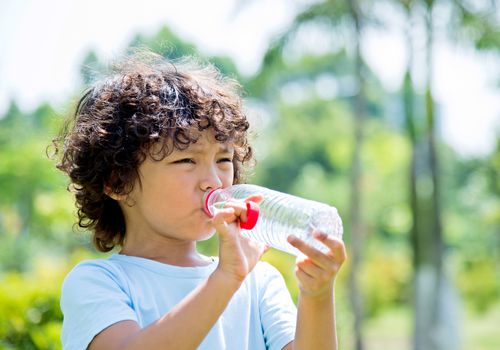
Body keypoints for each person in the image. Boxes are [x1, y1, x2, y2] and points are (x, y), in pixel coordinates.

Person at [54, 50, 347, 350]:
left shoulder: (258, 281)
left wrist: (317, 295)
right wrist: (225, 279)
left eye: (223, 159)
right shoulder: (99, 283)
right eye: (186, 161)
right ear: (118, 182)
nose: (214, 181)